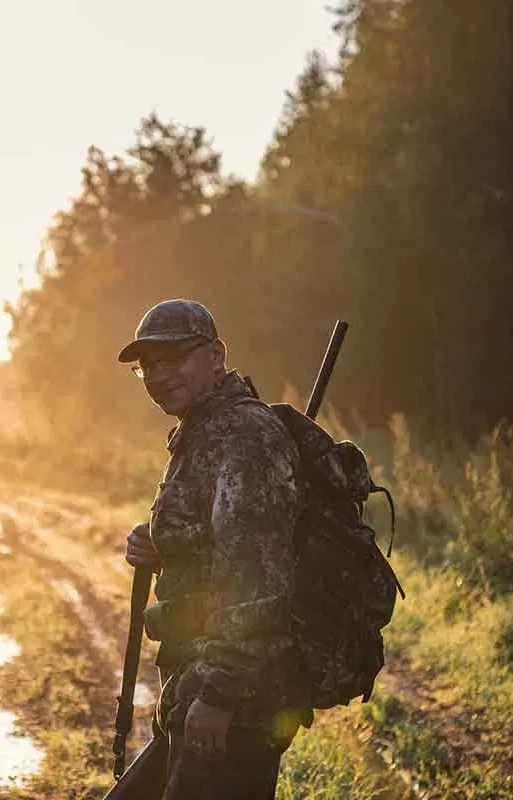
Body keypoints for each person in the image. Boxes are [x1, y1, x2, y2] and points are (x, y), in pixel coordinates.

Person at [119, 299, 312, 800]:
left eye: (175, 357)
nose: (160, 375)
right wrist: (162, 542)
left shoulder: (244, 435)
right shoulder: (204, 430)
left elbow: (258, 577)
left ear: (216, 356)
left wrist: (221, 694)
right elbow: (221, 540)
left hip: (236, 701)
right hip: (197, 682)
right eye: (149, 365)